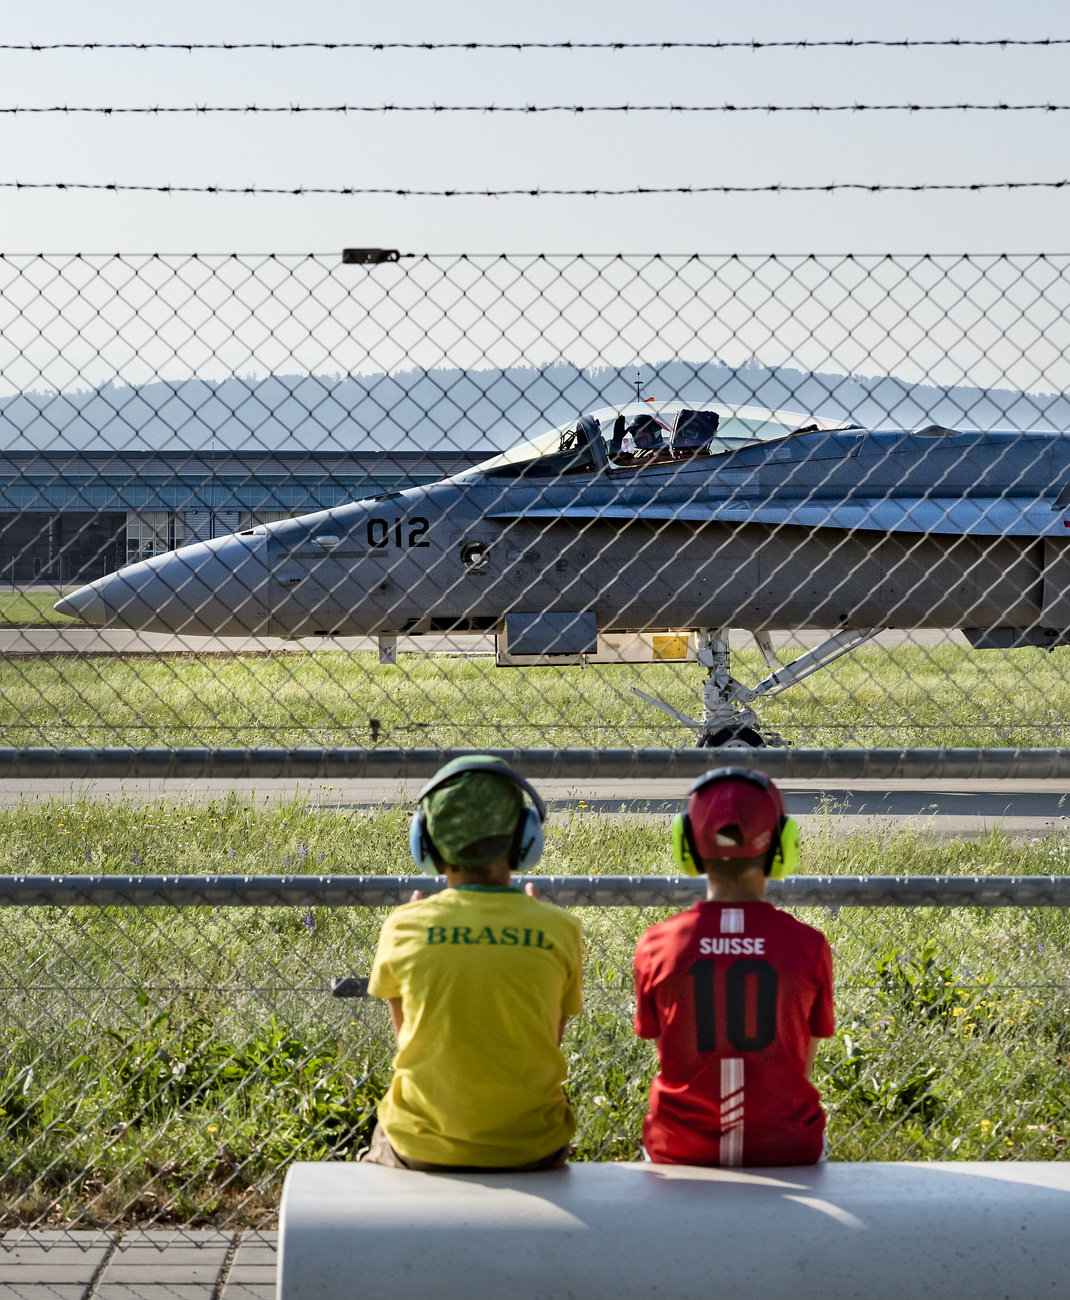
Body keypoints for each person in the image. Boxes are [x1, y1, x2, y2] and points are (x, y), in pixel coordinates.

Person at [365, 756, 583, 1171]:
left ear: (424, 843)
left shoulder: (402, 927)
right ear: (526, 839)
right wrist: (534, 927)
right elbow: (546, 1040)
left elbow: (410, 1039)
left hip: (421, 1148)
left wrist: (420, 926)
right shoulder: (560, 929)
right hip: (531, 1149)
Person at [633, 768, 834, 1166]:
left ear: (686, 845)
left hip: (680, 1147)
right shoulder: (809, 945)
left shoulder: (658, 945)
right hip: (786, 1146)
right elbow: (803, 1063)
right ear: (782, 845)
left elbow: (664, 1047)